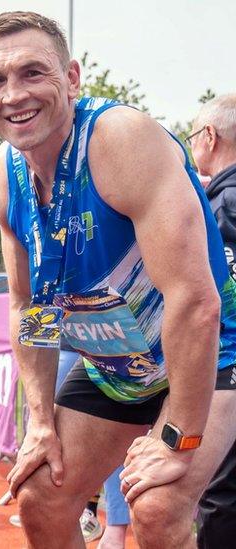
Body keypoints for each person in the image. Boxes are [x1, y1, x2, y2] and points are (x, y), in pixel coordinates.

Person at [0, 11, 236, 549]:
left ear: (71, 78)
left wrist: (178, 438)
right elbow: (32, 308)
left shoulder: (120, 140)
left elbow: (194, 300)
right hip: (121, 365)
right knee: (39, 496)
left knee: (158, 508)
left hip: (214, 354)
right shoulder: (4, 173)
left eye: (33, 73)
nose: (14, 95)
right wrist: (41, 424)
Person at [189, 93, 236, 548]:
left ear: (209, 136)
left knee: (220, 494)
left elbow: (215, 307)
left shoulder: (221, 207)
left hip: (225, 376)